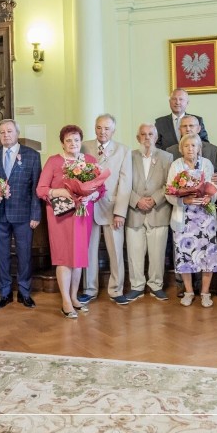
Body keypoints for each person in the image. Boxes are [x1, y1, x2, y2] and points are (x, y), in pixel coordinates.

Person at [36, 125, 102, 318]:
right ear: (62, 143)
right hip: (62, 217)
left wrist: (92, 196)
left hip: (83, 215)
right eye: (69, 140)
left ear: (81, 142)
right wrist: (61, 191)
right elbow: (41, 189)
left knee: (78, 258)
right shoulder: (54, 161)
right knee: (64, 257)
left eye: (76, 140)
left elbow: (101, 188)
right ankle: (65, 300)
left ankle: (74, 297)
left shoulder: (89, 161)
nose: (73, 144)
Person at [0, 119, 42, 309]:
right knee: (2, 255)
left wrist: (36, 215)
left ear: (17, 133)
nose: (6, 135)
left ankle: (25, 292)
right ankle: (4, 293)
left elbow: (36, 187)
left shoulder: (32, 155)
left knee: (24, 254)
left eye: (9, 131)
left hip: (24, 214)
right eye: (2, 132)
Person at [79, 114, 132, 305]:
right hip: (88, 207)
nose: (103, 132)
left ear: (113, 130)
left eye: (107, 128)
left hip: (112, 208)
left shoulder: (123, 151)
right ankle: (89, 289)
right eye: (99, 127)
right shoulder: (84, 147)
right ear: (95, 128)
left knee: (116, 251)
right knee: (89, 250)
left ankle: (116, 289)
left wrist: (120, 212)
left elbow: (126, 184)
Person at [166, 133, 217, 307]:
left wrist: (209, 198)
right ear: (181, 149)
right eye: (187, 146)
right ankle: (188, 292)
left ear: (199, 148)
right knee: (184, 255)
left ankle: (205, 293)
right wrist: (183, 199)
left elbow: (214, 188)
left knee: (207, 256)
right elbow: (169, 191)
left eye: (194, 145)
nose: (190, 149)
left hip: (205, 217)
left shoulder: (207, 164)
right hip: (184, 216)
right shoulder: (176, 165)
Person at [125, 124, 173, 301]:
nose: (147, 138)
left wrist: (154, 199)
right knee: (134, 252)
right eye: (143, 135)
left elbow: (170, 184)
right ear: (138, 138)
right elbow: (122, 184)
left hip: (158, 210)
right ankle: (137, 286)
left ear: (156, 137)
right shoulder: (128, 157)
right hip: (134, 212)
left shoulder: (167, 157)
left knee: (157, 253)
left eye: (150, 134)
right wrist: (136, 200)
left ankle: (156, 285)